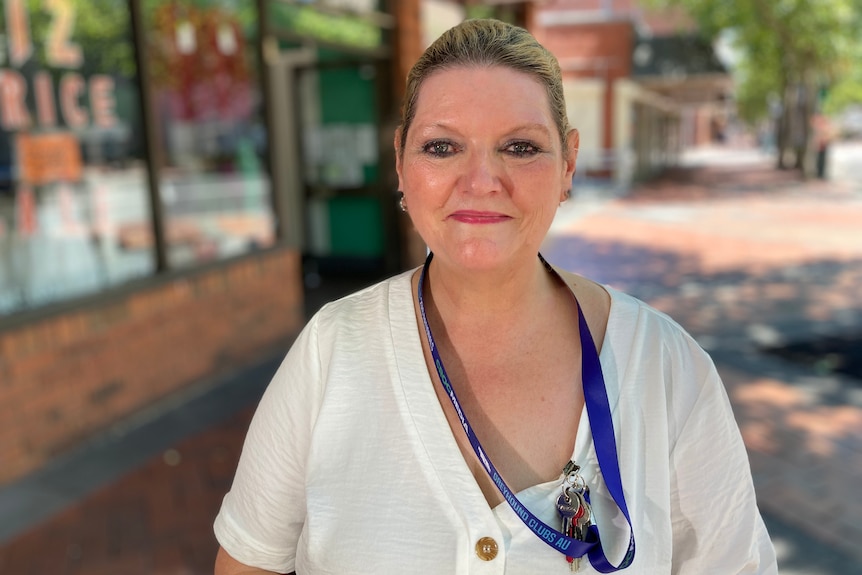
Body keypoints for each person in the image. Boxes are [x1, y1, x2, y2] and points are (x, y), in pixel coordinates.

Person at [213, 19, 777, 574]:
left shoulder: (667, 370)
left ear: (569, 165)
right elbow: (248, 562)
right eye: (441, 146)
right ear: (400, 165)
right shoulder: (330, 352)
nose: (481, 180)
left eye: (520, 147)